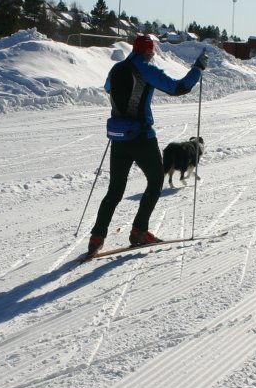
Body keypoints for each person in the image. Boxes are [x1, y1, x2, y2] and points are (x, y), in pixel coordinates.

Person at [87, 33, 207, 254]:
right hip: (142, 138)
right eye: (152, 52)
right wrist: (197, 69)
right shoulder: (145, 68)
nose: (152, 56)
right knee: (155, 181)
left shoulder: (116, 69)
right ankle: (139, 231)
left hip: (118, 138)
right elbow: (177, 88)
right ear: (149, 52)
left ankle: (96, 237)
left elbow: (107, 88)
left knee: (115, 190)